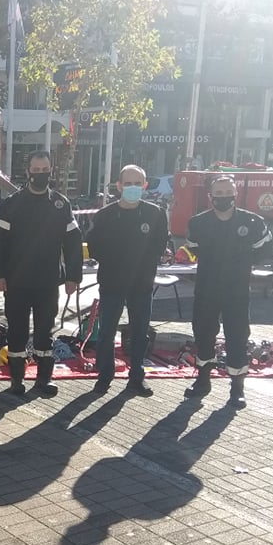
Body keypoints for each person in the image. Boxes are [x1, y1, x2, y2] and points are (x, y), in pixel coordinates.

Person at [0, 150, 83, 397]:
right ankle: (16, 381)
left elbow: (73, 242)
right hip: (17, 282)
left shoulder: (61, 204)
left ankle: (43, 380)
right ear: (28, 171)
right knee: (17, 332)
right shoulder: (12, 204)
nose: (40, 174)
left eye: (45, 170)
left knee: (44, 332)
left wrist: (74, 276)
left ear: (51, 171)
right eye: (36, 170)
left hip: (48, 282)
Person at [183, 175, 272, 409]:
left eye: (227, 193)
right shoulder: (198, 223)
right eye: (218, 194)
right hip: (207, 289)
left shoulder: (253, 222)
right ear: (210, 196)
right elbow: (192, 250)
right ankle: (202, 382)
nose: (223, 198)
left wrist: (241, 265)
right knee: (203, 335)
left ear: (236, 194)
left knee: (237, 337)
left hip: (237, 291)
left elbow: (264, 251)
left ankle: (237, 389)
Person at [87, 164, 170, 397]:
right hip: (112, 283)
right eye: (128, 183)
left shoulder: (155, 214)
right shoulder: (105, 216)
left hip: (141, 284)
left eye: (137, 184)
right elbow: (94, 246)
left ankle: (136, 378)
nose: (132, 188)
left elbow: (158, 246)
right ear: (119, 186)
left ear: (144, 186)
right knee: (106, 332)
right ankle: (104, 376)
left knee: (140, 332)